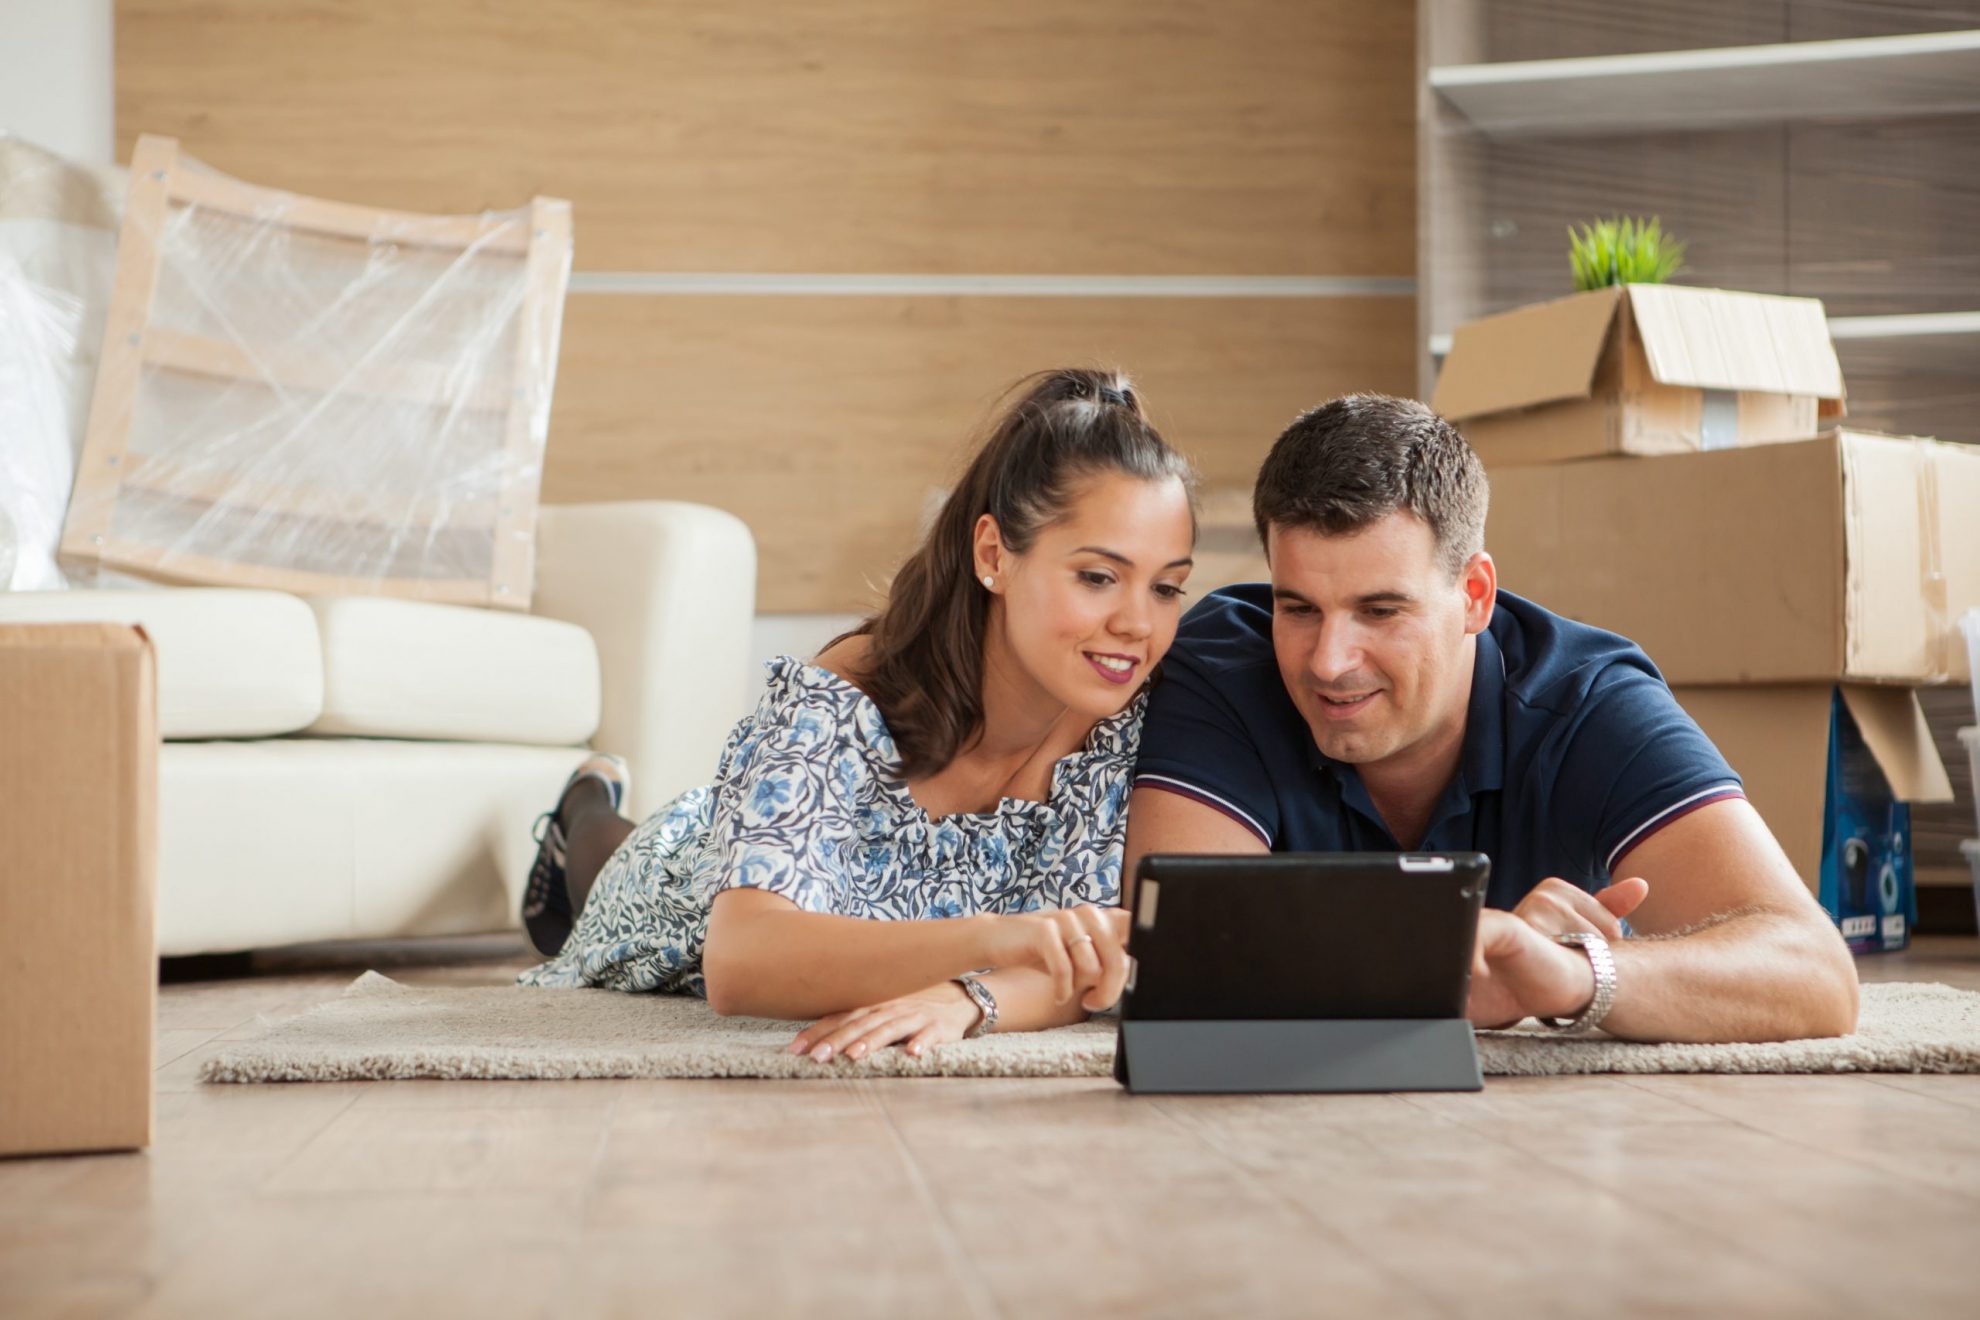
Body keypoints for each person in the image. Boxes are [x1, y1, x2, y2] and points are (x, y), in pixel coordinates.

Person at [1124, 393, 1859, 1044]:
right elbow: (1181, 953)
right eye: (1299, 608)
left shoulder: (1588, 701)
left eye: (1381, 611)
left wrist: (1576, 976)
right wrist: (1438, 960)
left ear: (1475, 595)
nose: (1329, 660)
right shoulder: (1223, 667)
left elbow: (1815, 973)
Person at [519, 368, 1198, 1062]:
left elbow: (1090, 964)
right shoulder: (847, 692)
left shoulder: (1133, 722)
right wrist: (996, 937)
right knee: (608, 870)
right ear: (994, 554)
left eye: (1167, 587)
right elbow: (739, 963)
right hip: (688, 889)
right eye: (1098, 577)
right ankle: (583, 808)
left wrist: (972, 999)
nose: (1138, 624)